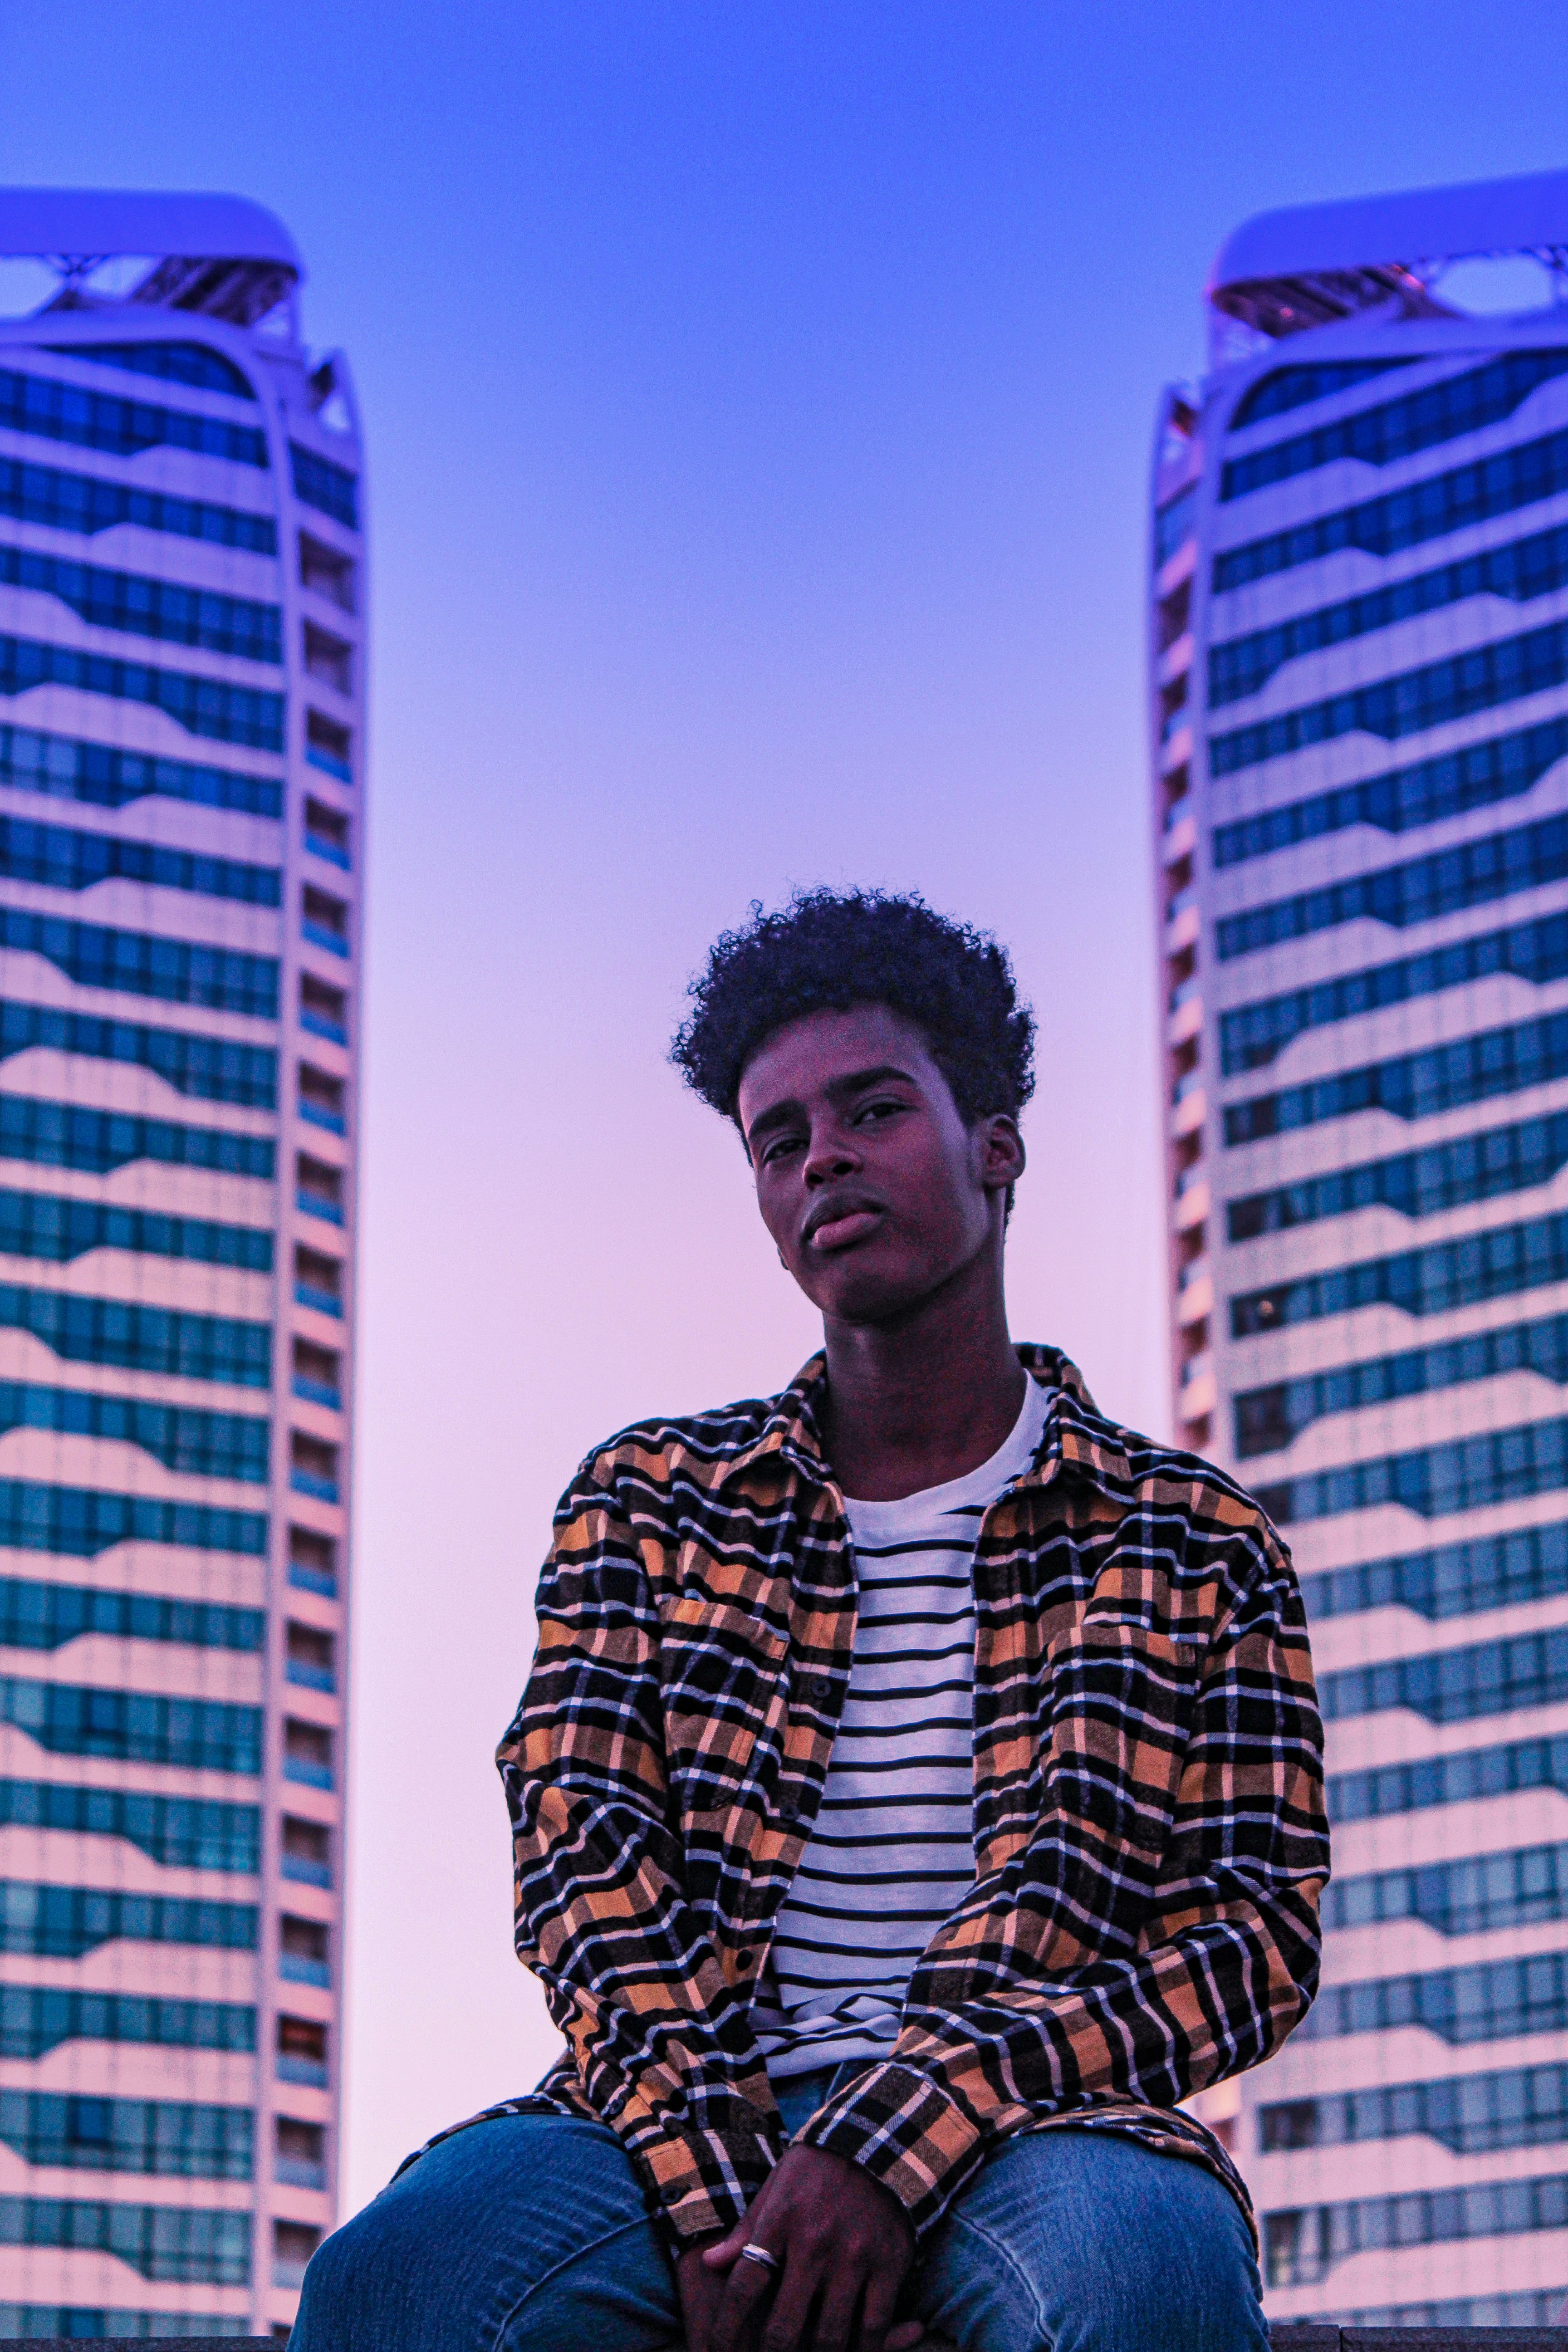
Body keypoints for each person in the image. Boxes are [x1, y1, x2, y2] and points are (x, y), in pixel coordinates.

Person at [292, 889, 1328, 2352]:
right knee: (397, 2284)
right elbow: (584, 1868)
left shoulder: (1192, 1538)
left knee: (1139, 2284)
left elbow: (1251, 1934)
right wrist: (734, 2208)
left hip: (1040, 2125)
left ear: (995, 1145)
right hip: (670, 2124)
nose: (822, 1156)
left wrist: (899, 2135)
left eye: (873, 1111)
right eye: (779, 1141)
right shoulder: (649, 1504)